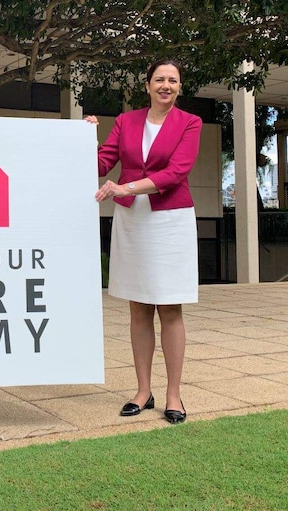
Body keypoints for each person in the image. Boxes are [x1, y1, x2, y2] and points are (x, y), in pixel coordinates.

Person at [87, 58, 201, 425]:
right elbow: (101, 163)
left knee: (169, 307)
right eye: (159, 79)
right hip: (132, 220)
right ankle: (142, 390)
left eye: (173, 80)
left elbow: (176, 171)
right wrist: (83, 138)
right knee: (138, 307)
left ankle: (173, 395)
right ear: (147, 84)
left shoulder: (190, 123)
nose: (166, 85)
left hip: (170, 219)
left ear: (179, 87)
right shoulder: (126, 121)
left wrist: (126, 186)